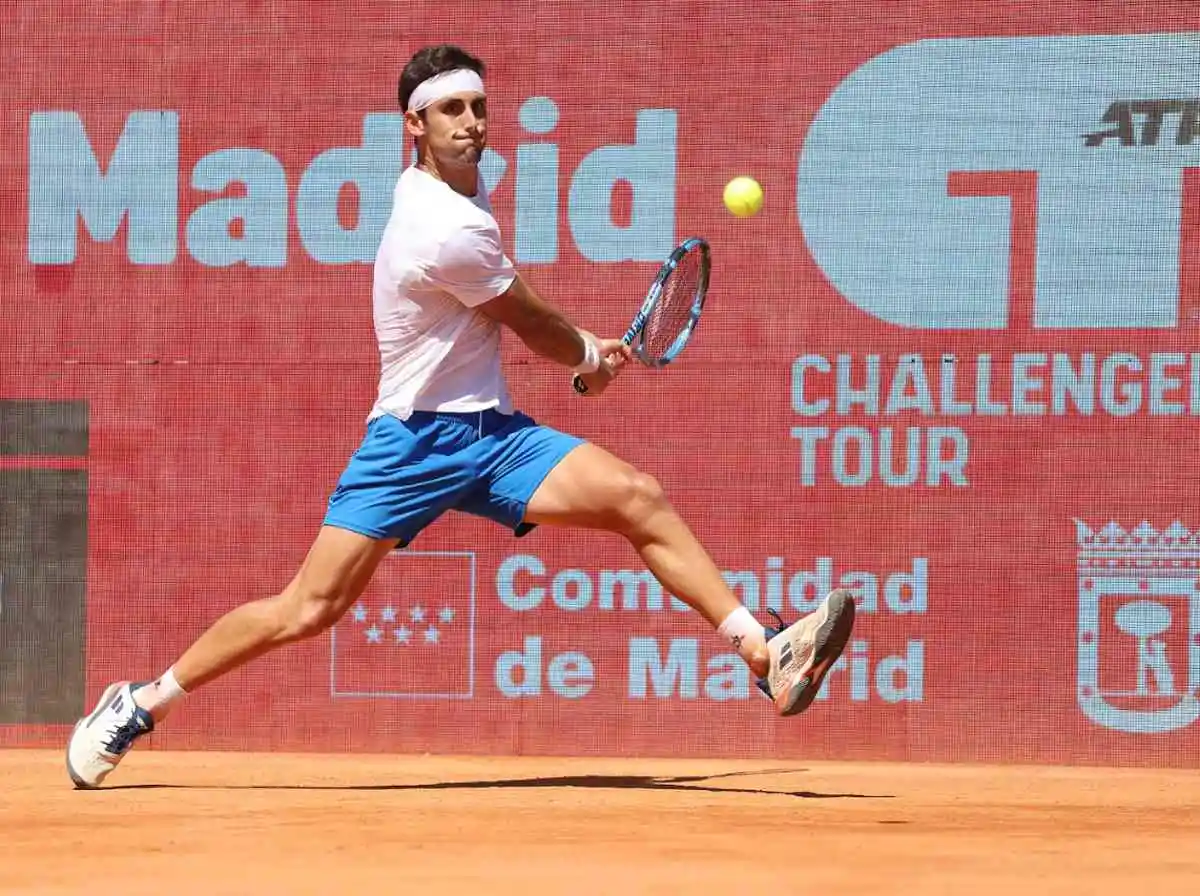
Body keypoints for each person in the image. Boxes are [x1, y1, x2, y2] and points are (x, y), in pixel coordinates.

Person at [66, 44, 856, 789]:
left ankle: (764, 651)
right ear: (414, 124)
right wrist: (586, 357)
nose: (471, 123)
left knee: (636, 496)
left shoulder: (455, 193)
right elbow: (529, 320)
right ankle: (141, 703)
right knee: (308, 609)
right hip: (411, 443)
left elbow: (509, 314)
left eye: (478, 107)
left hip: (493, 437)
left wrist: (585, 354)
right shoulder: (444, 225)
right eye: (451, 110)